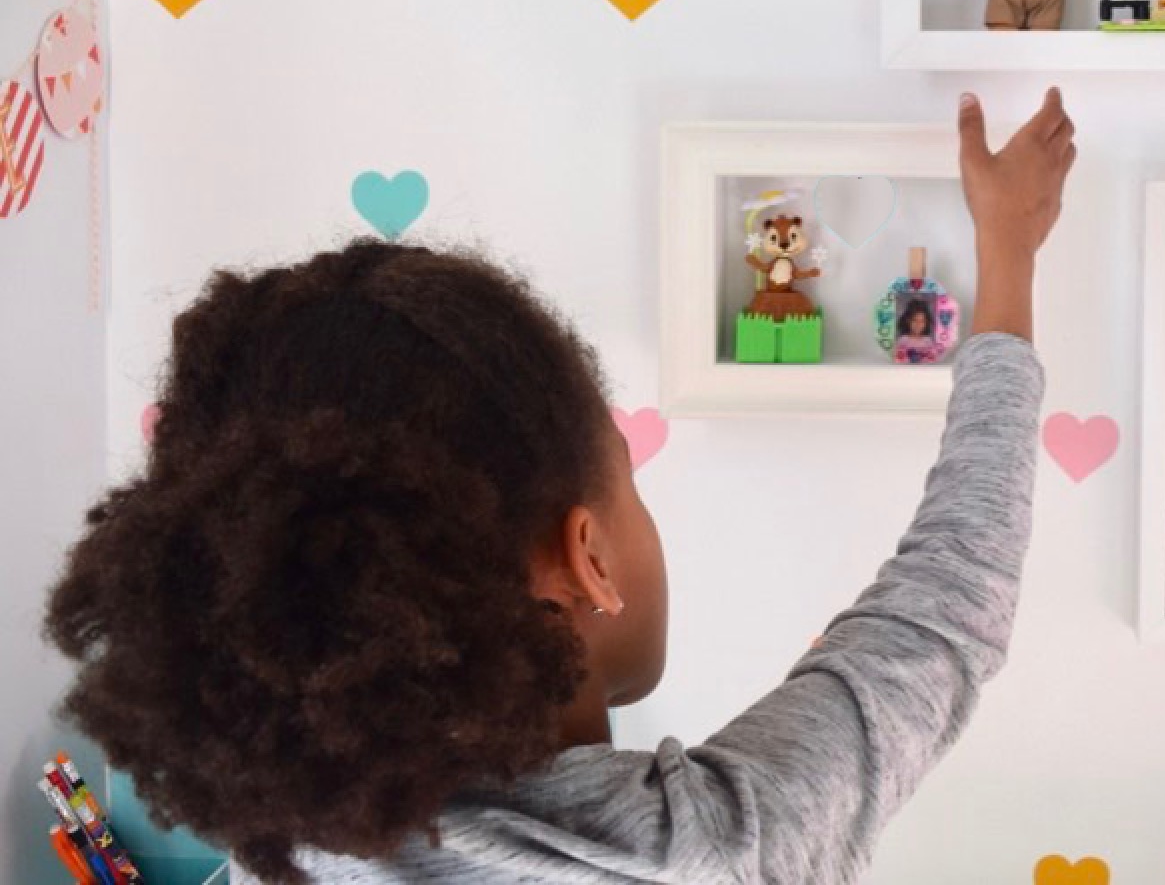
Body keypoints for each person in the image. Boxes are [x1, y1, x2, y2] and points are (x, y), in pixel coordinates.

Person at [42, 88, 1077, 885]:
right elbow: (945, 606)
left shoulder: (278, 855)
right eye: (626, 480)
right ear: (587, 557)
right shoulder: (718, 850)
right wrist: (1010, 259)